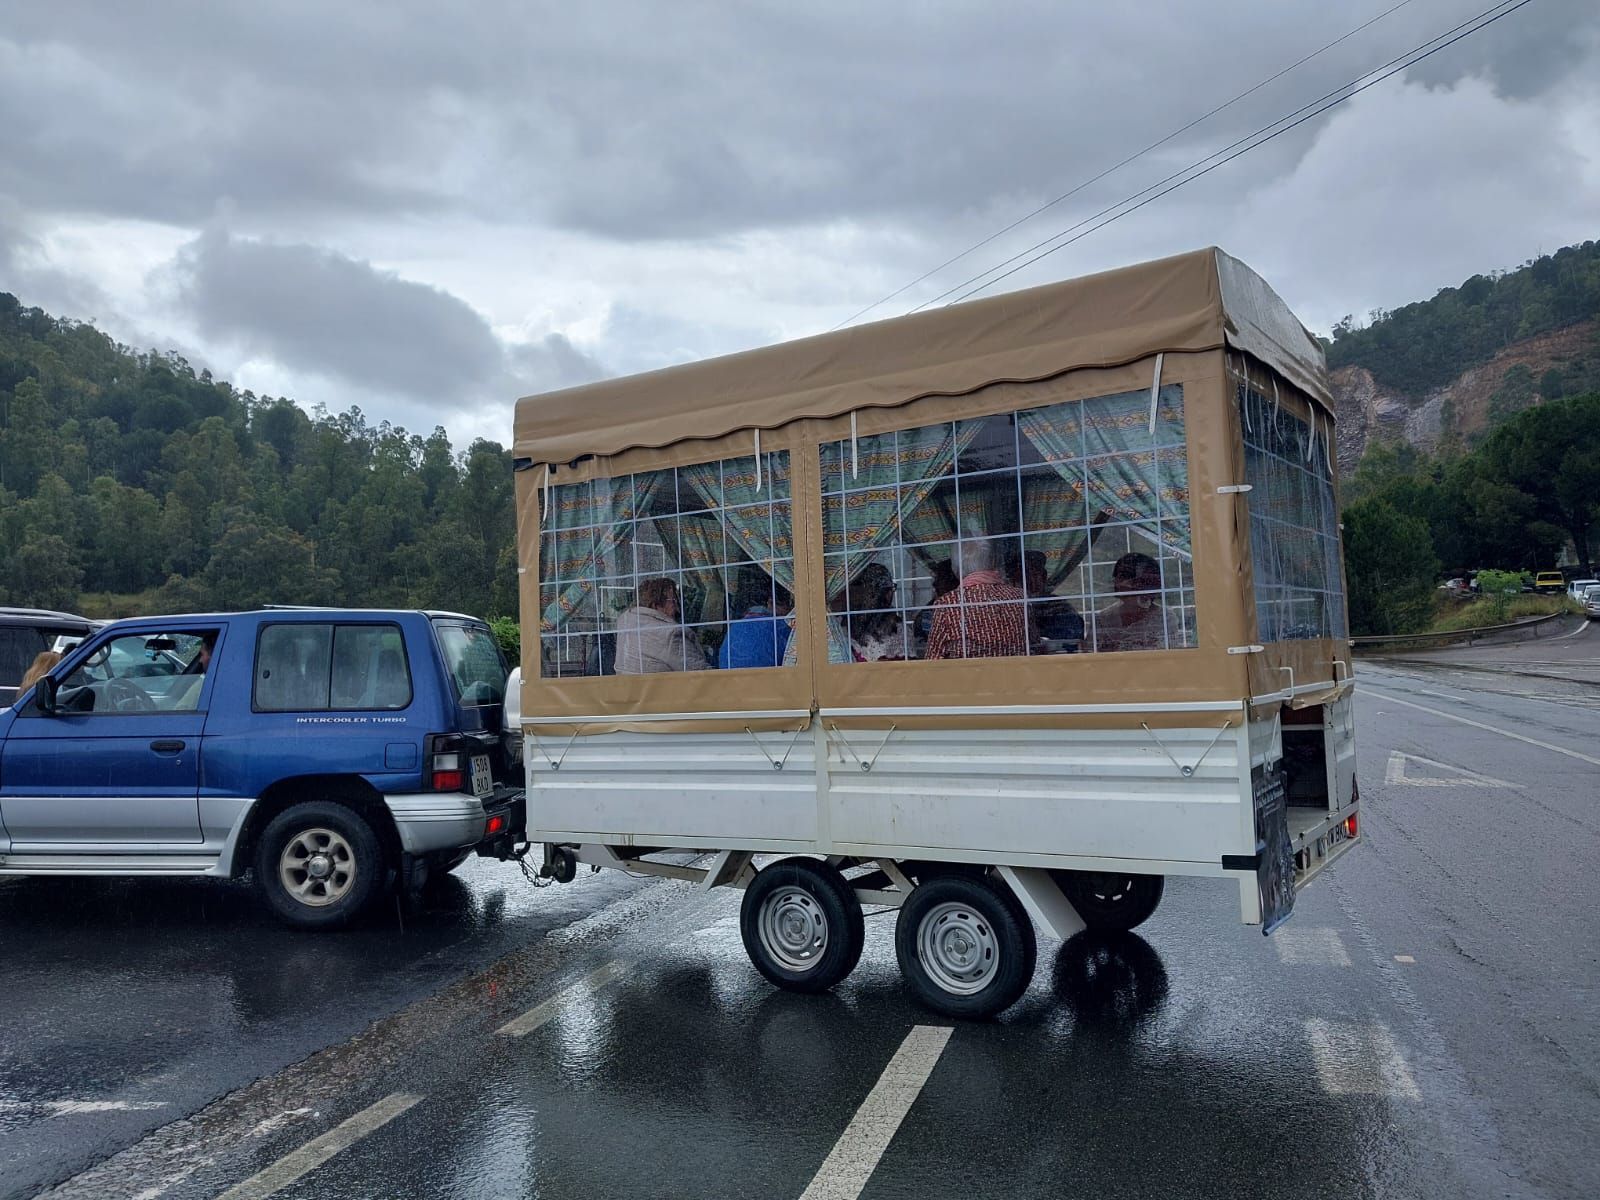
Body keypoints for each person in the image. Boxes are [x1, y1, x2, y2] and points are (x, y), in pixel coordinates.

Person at [924, 539, 1028, 660]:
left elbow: (933, 659)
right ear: (992, 563)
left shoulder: (948, 603)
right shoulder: (1019, 596)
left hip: (967, 672)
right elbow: (1033, 642)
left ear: (957, 567)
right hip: (1016, 671)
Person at [615, 577, 696, 673]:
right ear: (656, 605)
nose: (677, 608)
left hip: (629, 682)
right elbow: (703, 673)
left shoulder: (625, 622)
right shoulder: (670, 635)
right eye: (673, 601)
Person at [1009, 549, 1084, 652]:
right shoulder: (1009, 607)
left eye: (1035, 575)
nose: (1030, 582)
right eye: (1022, 577)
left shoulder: (1060, 607)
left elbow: (1070, 643)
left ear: (1044, 577)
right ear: (1012, 581)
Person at [1096, 552, 1168, 652]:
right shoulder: (1103, 618)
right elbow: (1091, 654)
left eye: (1123, 577)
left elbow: (1170, 654)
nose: (1116, 582)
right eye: (1117, 577)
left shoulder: (1164, 617)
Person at [719, 575, 792, 669]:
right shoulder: (780, 627)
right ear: (770, 602)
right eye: (789, 605)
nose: (791, 611)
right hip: (768, 677)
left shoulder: (737, 625)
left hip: (728, 677)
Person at [847, 563, 904, 661]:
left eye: (891, 588)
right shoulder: (844, 623)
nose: (890, 594)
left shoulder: (897, 628)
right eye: (886, 589)